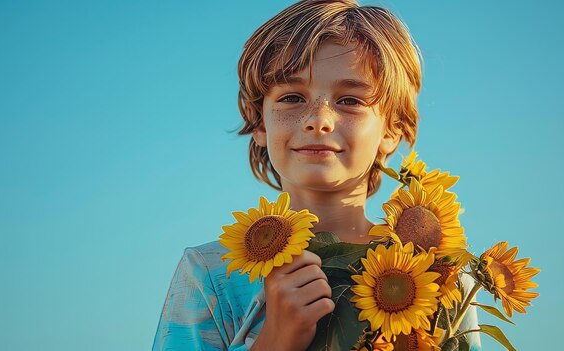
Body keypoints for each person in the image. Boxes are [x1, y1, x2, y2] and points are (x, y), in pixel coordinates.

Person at [152, 1, 481, 350]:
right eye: (292, 97)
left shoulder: (439, 275)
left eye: (350, 101)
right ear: (259, 122)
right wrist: (277, 339)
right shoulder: (212, 275)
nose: (318, 119)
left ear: (392, 129)